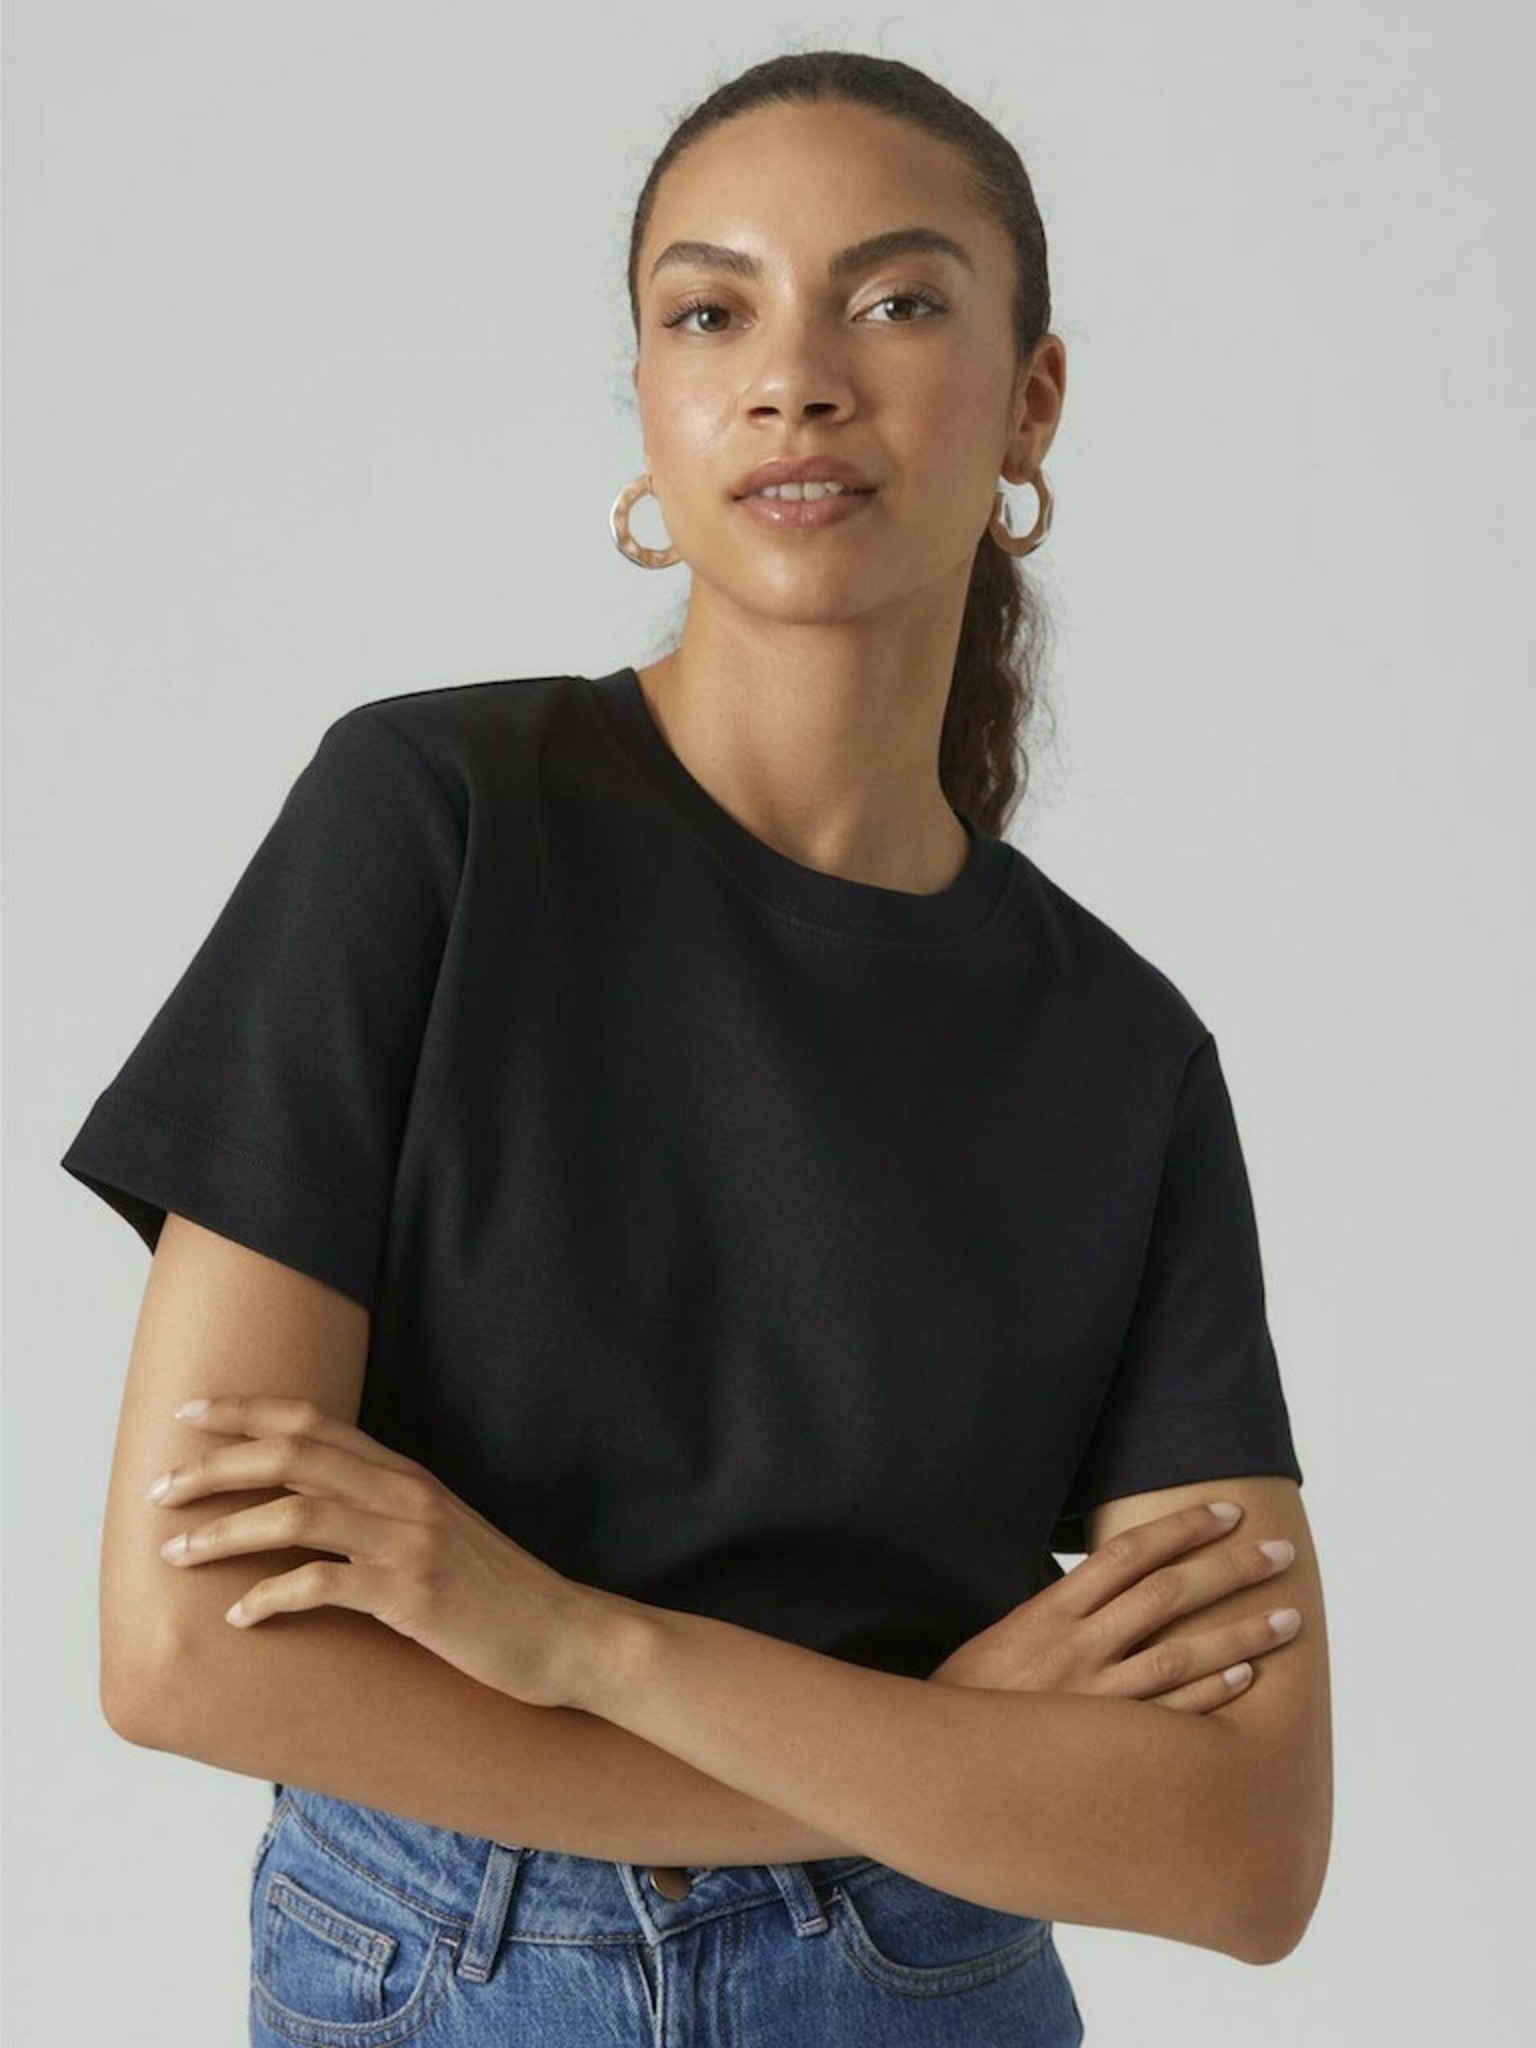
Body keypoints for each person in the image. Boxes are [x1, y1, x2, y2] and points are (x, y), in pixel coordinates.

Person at [61, 47, 1331, 2047]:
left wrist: (582, 1643)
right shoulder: (429, 823)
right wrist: (911, 1760)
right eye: (711, 312)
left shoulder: (1121, 1055)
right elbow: (187, 1651)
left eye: (893, 300)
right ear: (649, 405)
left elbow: (1245, 1846)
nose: (794, 378)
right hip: (451, 1980)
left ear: (1033, 402)